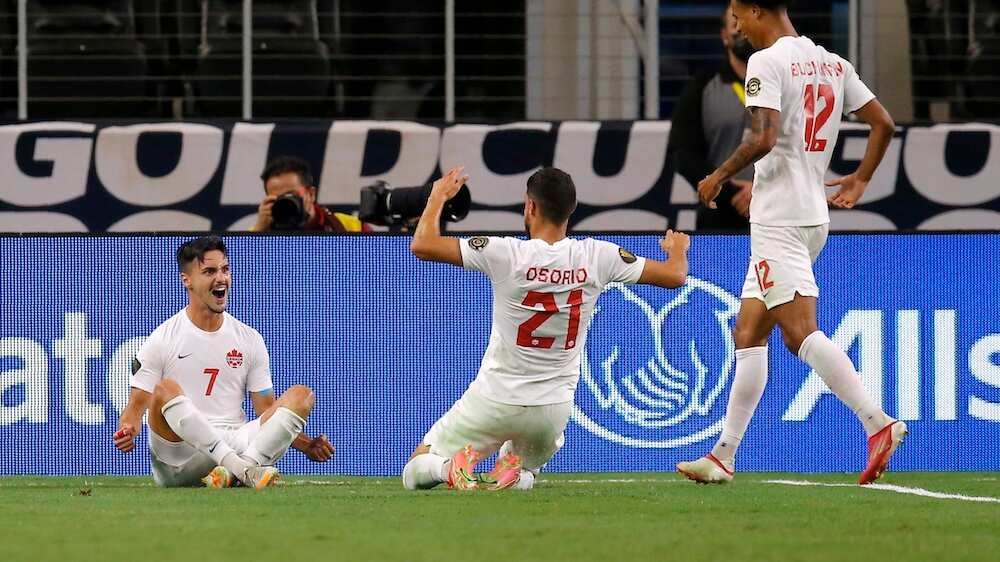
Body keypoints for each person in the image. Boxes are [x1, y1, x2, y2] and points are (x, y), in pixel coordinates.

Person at [678, 0, 901, 486]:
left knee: (799, 333)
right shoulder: (832, 62)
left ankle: (876, 422)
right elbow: (883, 123)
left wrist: (717, 176)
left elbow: (763, 137)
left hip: (779, 219)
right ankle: (723, 455)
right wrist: (860, 180)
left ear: (758, 11)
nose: (736, 25)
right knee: (749, 333)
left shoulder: (766, 61)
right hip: (809, 216)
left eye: (739, 14)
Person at [402, 166, 691, 491]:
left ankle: (448, 468)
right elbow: (675, 276)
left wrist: (438, 196)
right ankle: (518, 474)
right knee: (523, 471)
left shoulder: (506, 253)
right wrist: (677, 250)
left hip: (496, 398)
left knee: (415, 470)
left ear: (530, 207)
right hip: (552, 409)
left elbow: (423, 244)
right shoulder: (599, 256)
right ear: (571, 209)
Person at [113, 236, 335, 489]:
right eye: (209, 271)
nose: (221, 278)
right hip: (181, 457)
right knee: (165, 390)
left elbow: (266, 411)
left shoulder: (249, 339)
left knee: (301, 395)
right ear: (187, 281)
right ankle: (244, 470)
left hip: (236, 441)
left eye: (225, 269)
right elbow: (135, 407)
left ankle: (237, 471)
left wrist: (306, 445)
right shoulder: (162, 339)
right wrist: (126, 431)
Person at [668, 5, 755, 230]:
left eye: (745, 19)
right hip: (720, 215)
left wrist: (762, 191)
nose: (740, 28)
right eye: (734, 22)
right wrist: (732, 191)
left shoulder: (787, 84)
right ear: (724, 36)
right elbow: (683, 154)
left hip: (779, 214)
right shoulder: (703, 86)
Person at [252, 156, 367, 233]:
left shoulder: (351, 227)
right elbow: (237, 268)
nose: (286, 203)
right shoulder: (258, 233)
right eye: (278, 199)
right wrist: (258, 231)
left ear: (311, 194)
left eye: (291, 195)